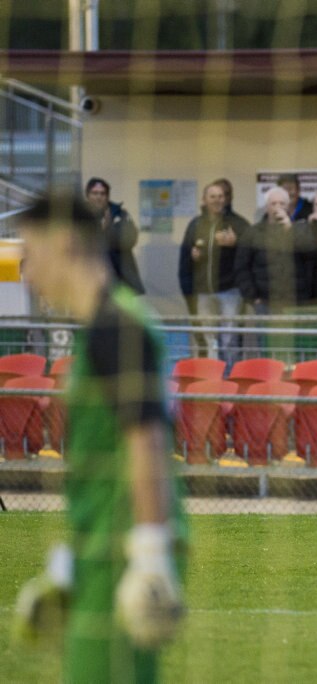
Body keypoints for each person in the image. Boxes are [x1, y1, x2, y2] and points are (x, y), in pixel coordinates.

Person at [13, 194, 187, 681]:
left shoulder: (119, 326)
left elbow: (147, 444)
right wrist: (69, 567)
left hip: (126, 554)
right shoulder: (105, 327)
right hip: (102, 552)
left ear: (64, 243)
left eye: (31, 253)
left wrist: (151, 559)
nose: (26, 272)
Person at [178, 181, 249, 365]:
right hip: (203, 292)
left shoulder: (238, 224)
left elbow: (251, 254)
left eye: (221, 196)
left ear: (225, 199)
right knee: (208, 339)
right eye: (213, 197)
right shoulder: (195, 225)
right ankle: (212, 380)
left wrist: (236, 244)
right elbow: (185, 257)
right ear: (204, 200)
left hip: (230, 291)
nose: (217, 200)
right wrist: (193, 257)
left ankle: (230, 378)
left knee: (229, 339)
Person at [234, 186, 317, 314]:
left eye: (282, 203)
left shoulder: (301, 229)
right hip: (264, 301)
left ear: (288, 207)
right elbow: (242, 266)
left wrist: (290, 230)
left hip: (296, 300)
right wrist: (252, 297)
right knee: (265, 334)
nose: (277, 207)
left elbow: (311, 256)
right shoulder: (253, 232)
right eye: (273, 203)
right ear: (267, 207)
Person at [84, 177, 145, 294]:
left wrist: (108, 230)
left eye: (102, 194)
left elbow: (130, 240)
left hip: (120, 281)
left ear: (107, 197)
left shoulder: (120, 214)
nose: (98, 197)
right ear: (88, 195)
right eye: (94, 193)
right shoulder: (80, 217)